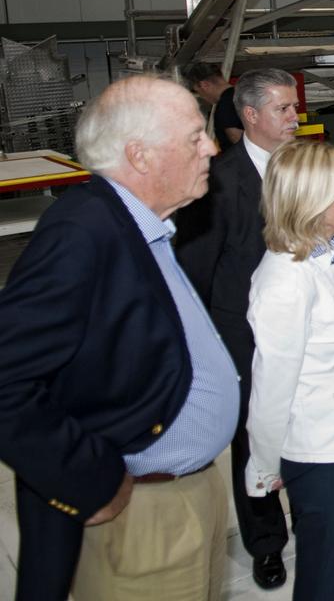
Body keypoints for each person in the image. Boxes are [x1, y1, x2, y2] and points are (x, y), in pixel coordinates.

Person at [0, 74, 238, 601]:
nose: (213, 147)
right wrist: (92, 478)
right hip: (140, 515)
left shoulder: (142, 223)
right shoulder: (82, 231)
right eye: (195, 137)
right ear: (142, 155)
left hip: (188, 493)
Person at [244, 140, 334, 601]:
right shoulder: (285, 282)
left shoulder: (315, 257)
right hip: (325, 455)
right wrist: (264, 470)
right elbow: (270, 391)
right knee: (330, 580)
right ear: (309, 201)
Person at [175, 66, 300, 590]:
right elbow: (195, 274)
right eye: (284, 109)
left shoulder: (303, 167)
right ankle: (266, 542)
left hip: (301, 327)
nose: (296, 117)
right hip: (244, 336)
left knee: (302, 428)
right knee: (255, 440)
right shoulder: (219, 184)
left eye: (295, 107)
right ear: (250, 115)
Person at [184, 61, 243, 148]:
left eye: (198, 91)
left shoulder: (224, 104)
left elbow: (235, 135)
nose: (202, 96)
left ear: (204, 85)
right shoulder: (243, 93)